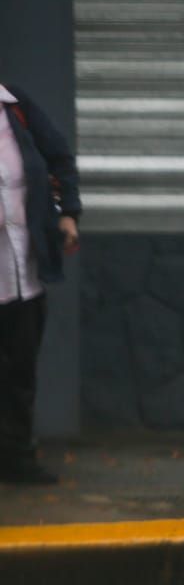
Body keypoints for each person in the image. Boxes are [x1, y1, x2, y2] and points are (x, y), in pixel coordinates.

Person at [0, 83, 80, 485]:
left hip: (22, 272)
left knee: (20, 369)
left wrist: (68, 214)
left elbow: (60, 158)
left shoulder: (17, 108)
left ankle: (16, 458)